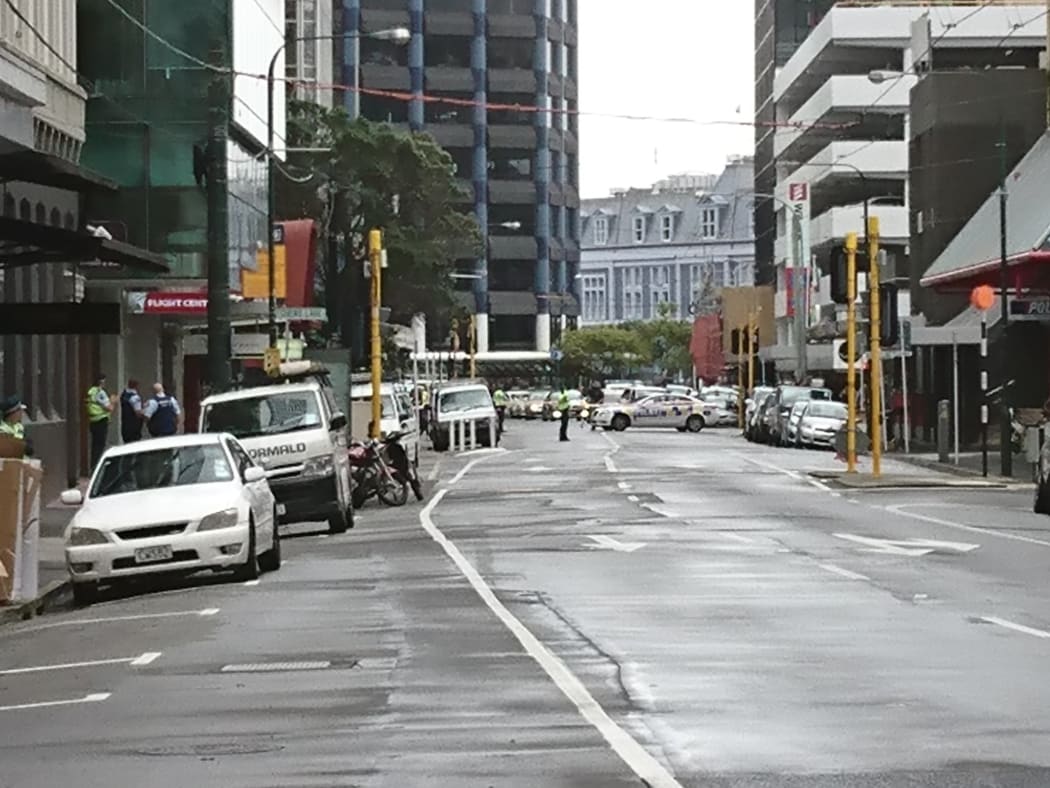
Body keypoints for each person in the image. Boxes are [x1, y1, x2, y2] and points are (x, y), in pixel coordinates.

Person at [86, 373, 113, 470]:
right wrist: (113, 401)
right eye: (104, 381)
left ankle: (93, 466)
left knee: (95, 445)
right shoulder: (100, 392)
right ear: (102, 381)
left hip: (93, 420)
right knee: (100, 445)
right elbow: (109, 408)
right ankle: (97, 467)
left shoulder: (91, 391)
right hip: (101, 420)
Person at [120, 378, 144, 444]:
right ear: (137, 386)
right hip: (134, 427)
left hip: (125, 425)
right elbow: (138, 413)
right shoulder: (135, 397)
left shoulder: (124, 395)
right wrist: (145, 411)